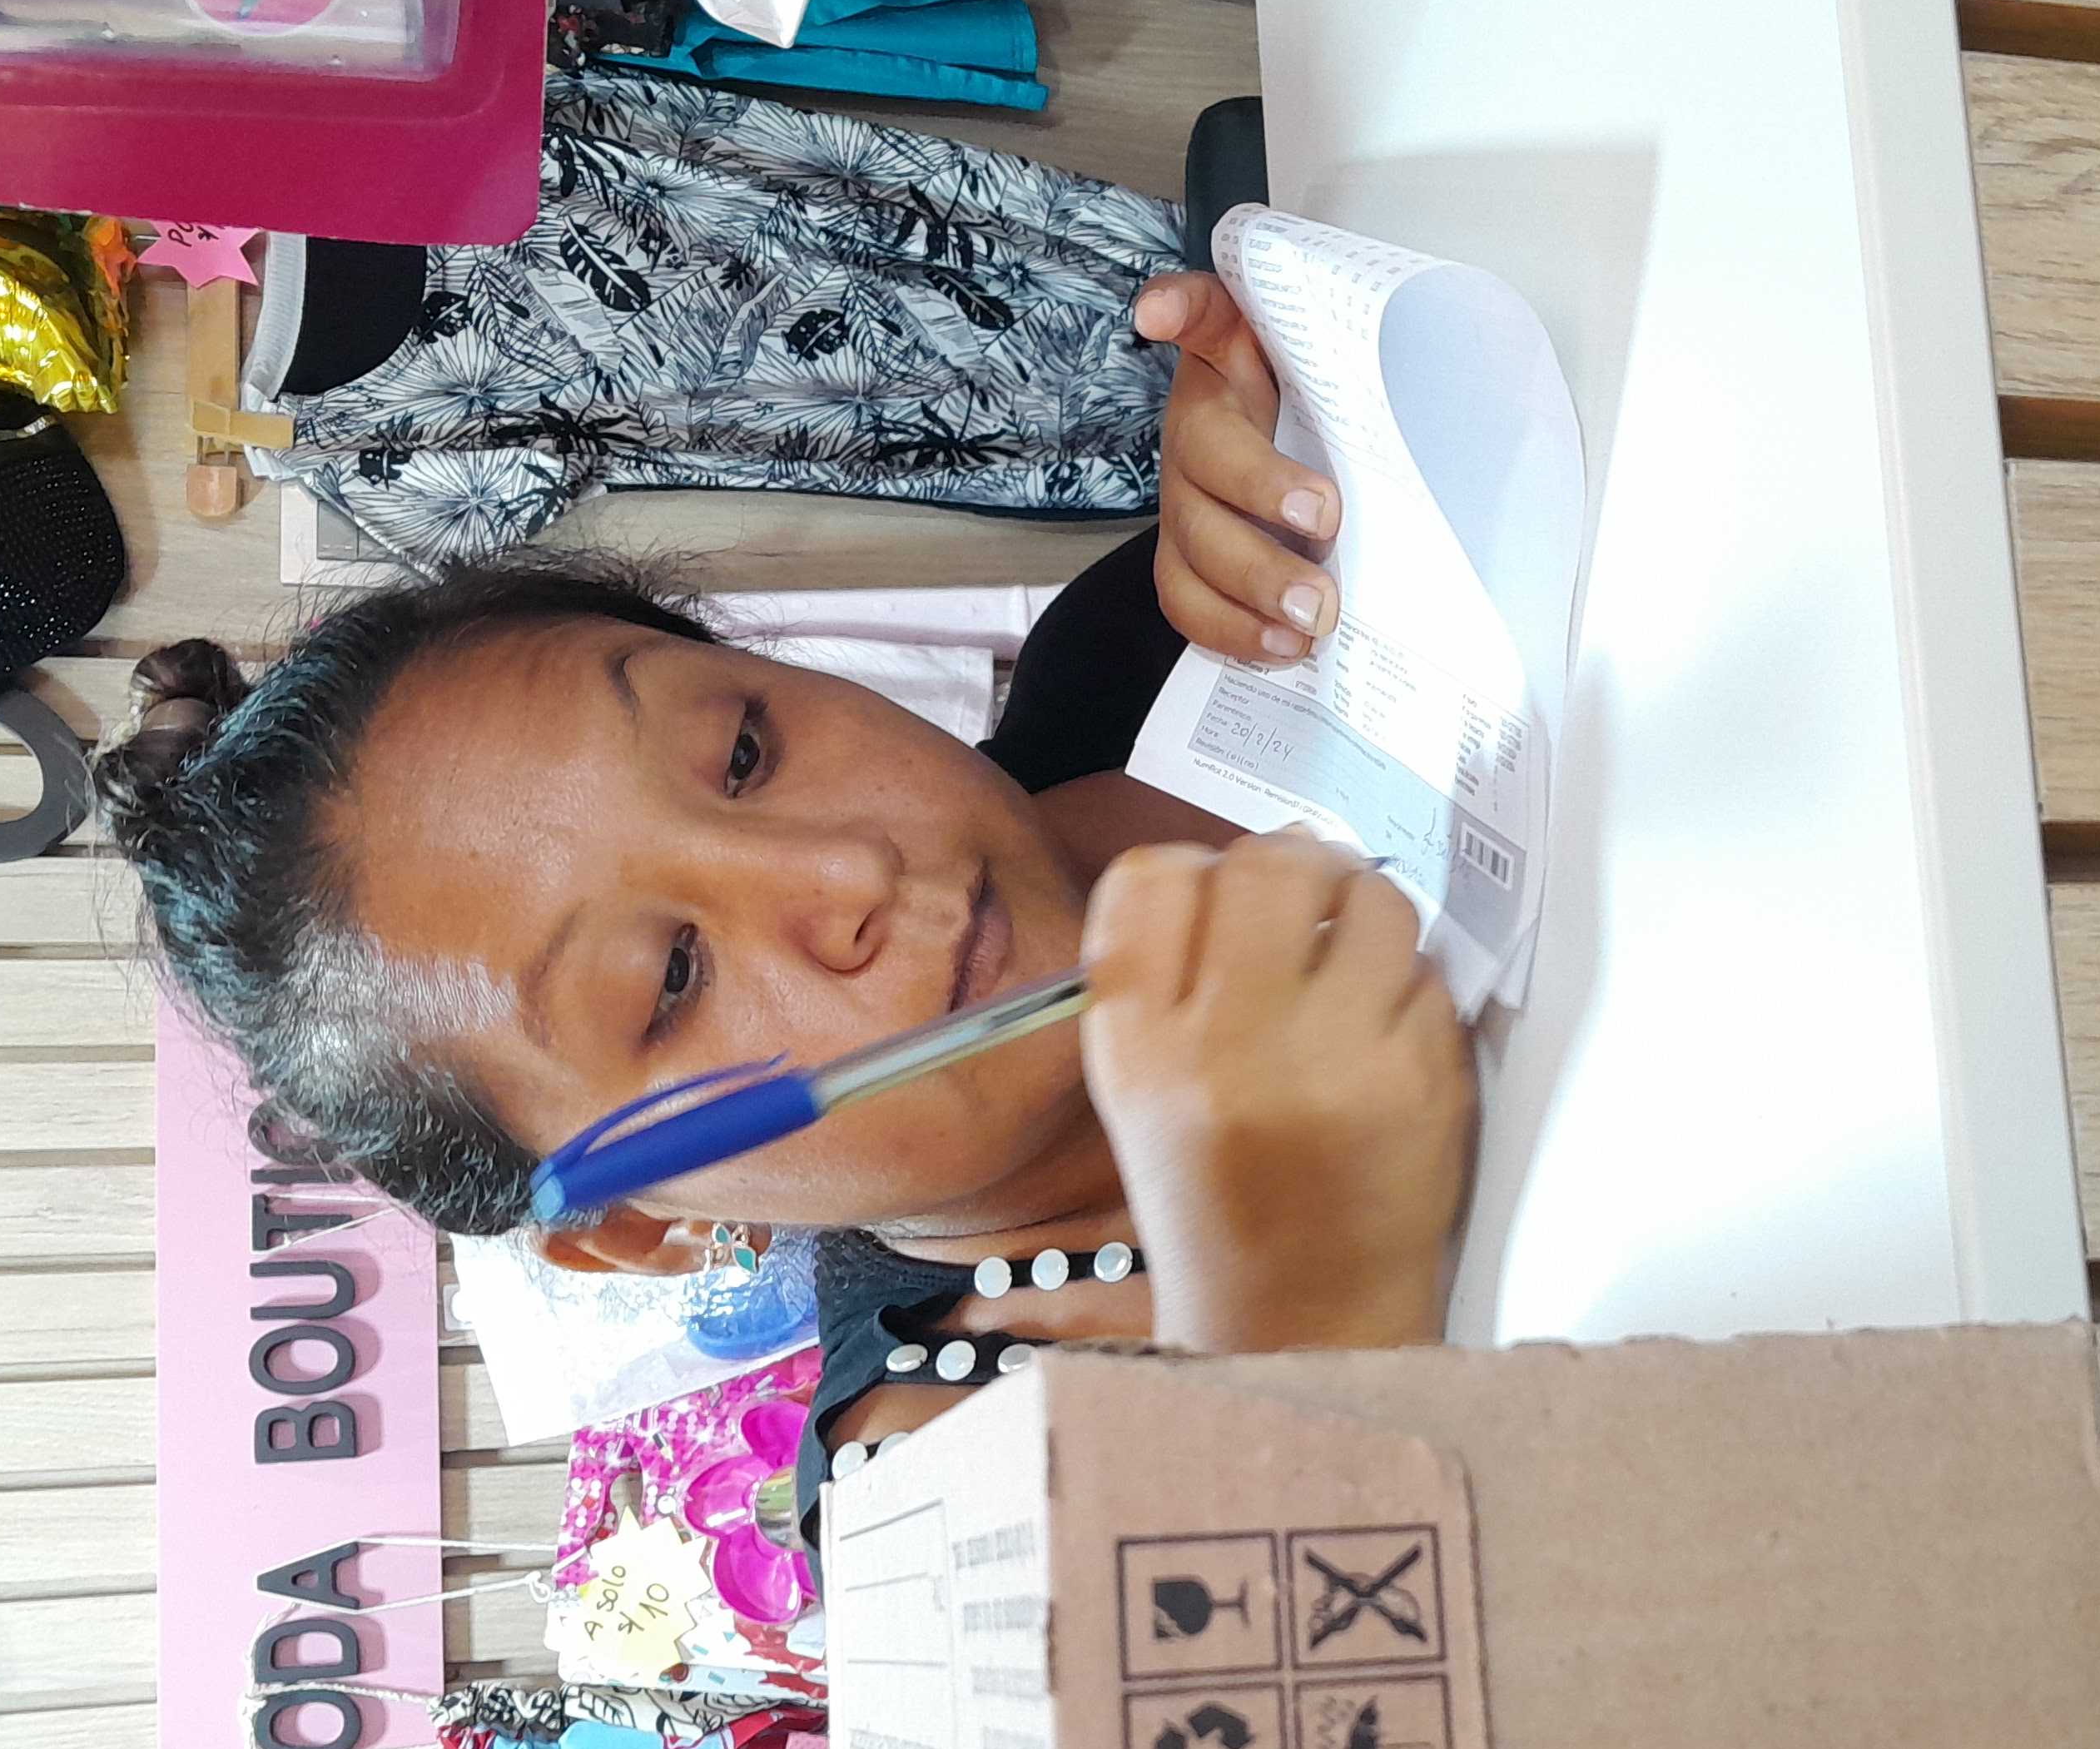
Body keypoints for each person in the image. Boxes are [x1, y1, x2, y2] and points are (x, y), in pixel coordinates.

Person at [100, 275, 1472, 1524]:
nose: (845, 873)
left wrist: (1329, 422)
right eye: (672, 978)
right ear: (642, 1226)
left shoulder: (1139, 643)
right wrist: (1308, 1314)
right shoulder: (931, 1501)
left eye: (745, 752)